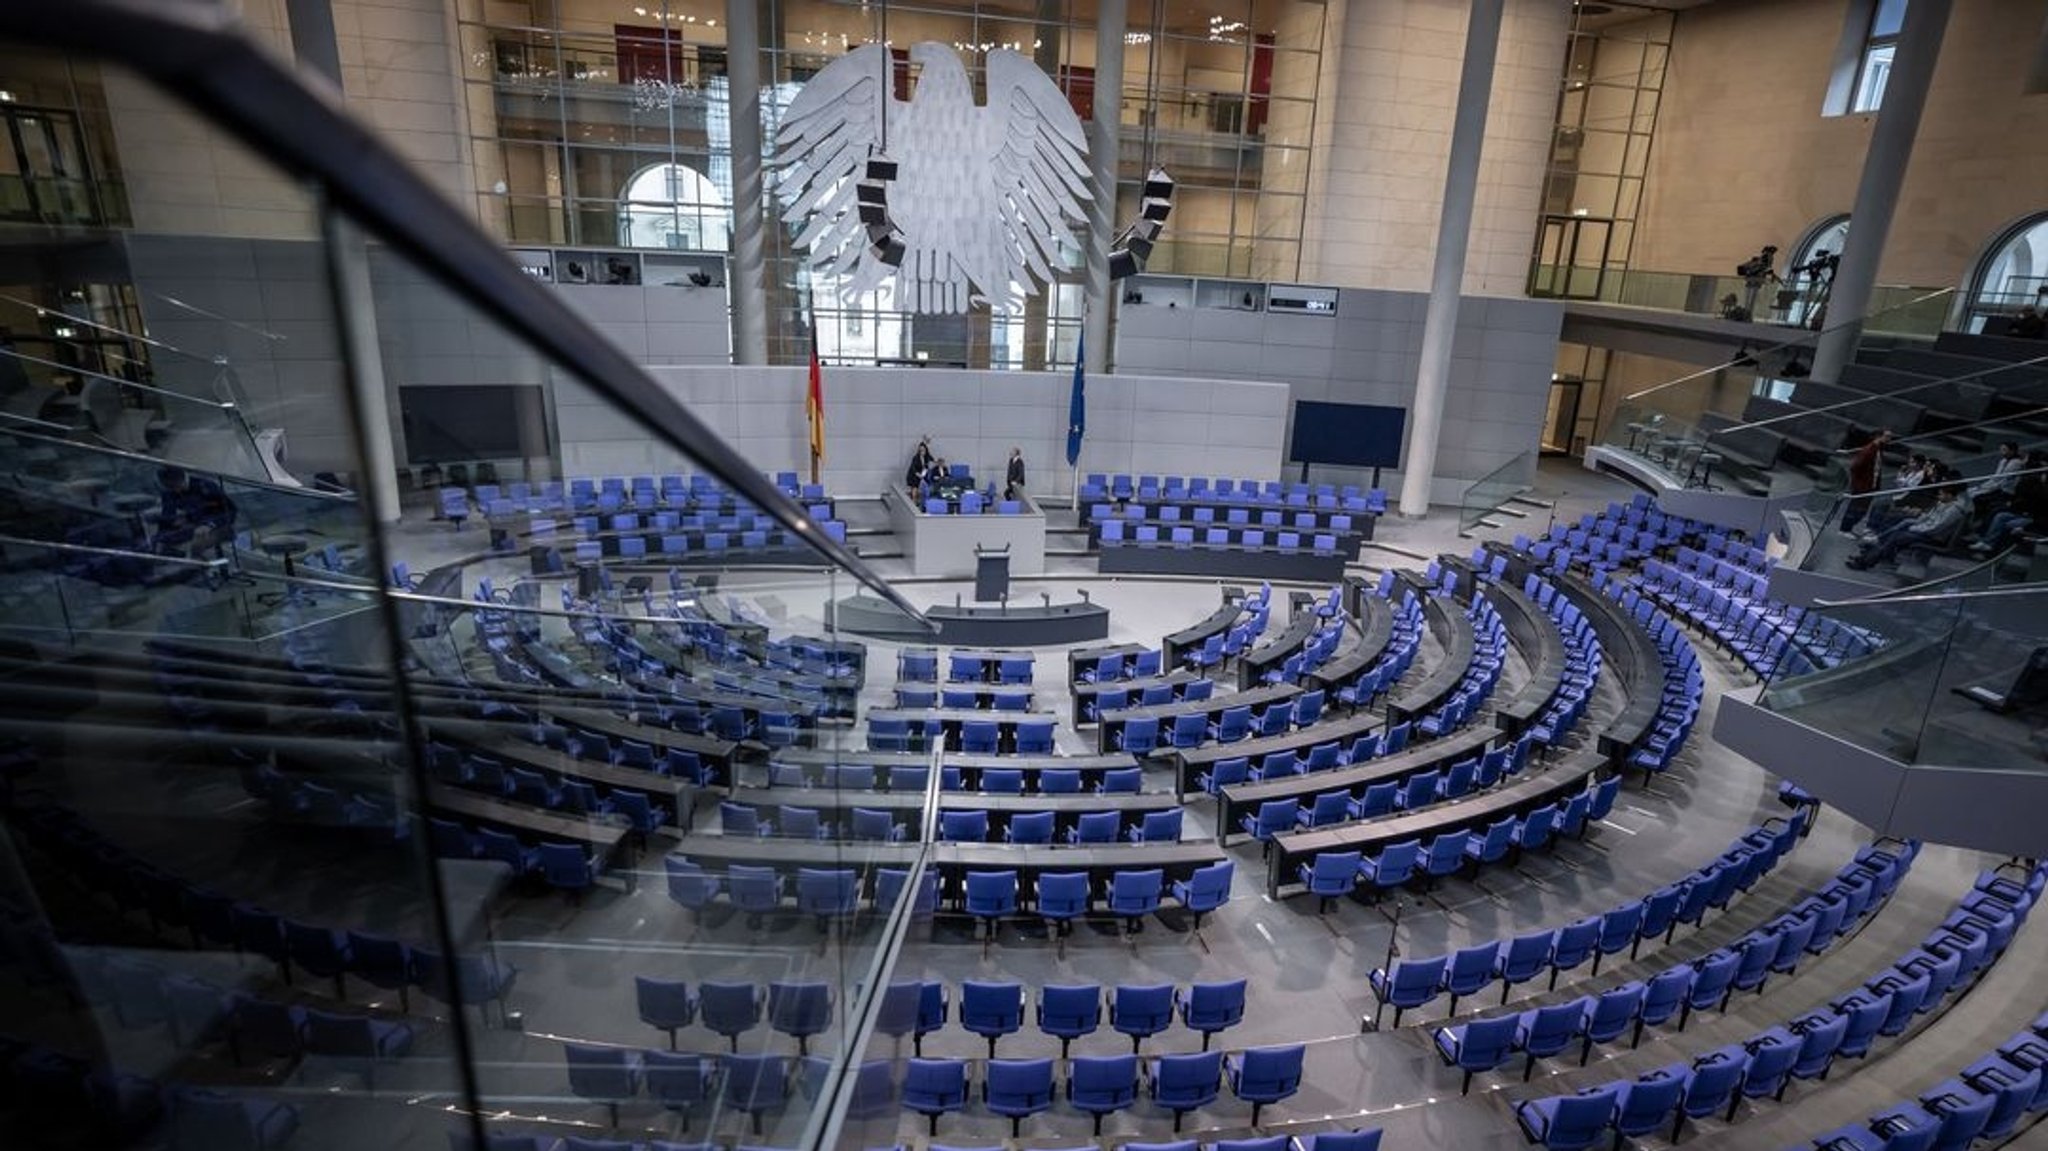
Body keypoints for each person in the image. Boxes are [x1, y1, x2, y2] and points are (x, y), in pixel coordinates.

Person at [1845, 485, 1966, 570]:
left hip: (1933, 537)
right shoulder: (1943, 503)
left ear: (1949, 495)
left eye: (1941, 494)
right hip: (1924, 529)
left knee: (1897, 536)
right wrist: (1917, 523)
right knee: (1898, 531)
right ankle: (1867, 557)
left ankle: (1866, 562)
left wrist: (1916, 528)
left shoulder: (1953, 511)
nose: (1939, 496)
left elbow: (1936, 528)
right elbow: (1928, 518)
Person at [1971, 451, 2047, 553]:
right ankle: (1987, 543)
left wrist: (2025, 525)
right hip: (2031, 514)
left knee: (2009, 524)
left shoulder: (2037, 483)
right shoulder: (2036, 479)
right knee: (2000, 515)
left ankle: (1992, 552)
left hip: (2036, 520)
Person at [156, 465, 236, 557]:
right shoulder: (169, 493)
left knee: (197, 545)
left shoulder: (205, 486)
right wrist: (160, 539)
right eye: (172, 488)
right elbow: (166, 517)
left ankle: (196, 565)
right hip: (194, 524)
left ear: (185, 478)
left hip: (220, 524)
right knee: (164, 543)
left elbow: (231, 511)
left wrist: (209, 525)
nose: (177, 491)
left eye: (178, 486)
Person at [1837, 428, 1892, 535]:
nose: (1889, 439)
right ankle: (1845, 529)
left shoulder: (1879, 449)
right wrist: (1858, 482)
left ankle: (1848, 528)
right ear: (1879, 436)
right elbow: (1855, 467)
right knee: (1855, 508)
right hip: (1863, 486)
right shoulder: (1869, 450)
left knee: (1861, 509)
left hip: (1870, 485)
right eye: (1887, 436)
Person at [1966, 441, 2026, 518]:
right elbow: (1996, 477)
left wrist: (1986, 489)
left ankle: (1978, 517)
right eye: (2001, 450)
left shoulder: (2016, 463)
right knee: (1972, 491)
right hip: (1996, 487)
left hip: (2005, 491)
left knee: (1978, 498)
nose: (2002, 452)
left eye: (2004, 450)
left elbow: (2003, 481)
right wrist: (1982, 486)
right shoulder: (2002, 461)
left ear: (2012, 451)